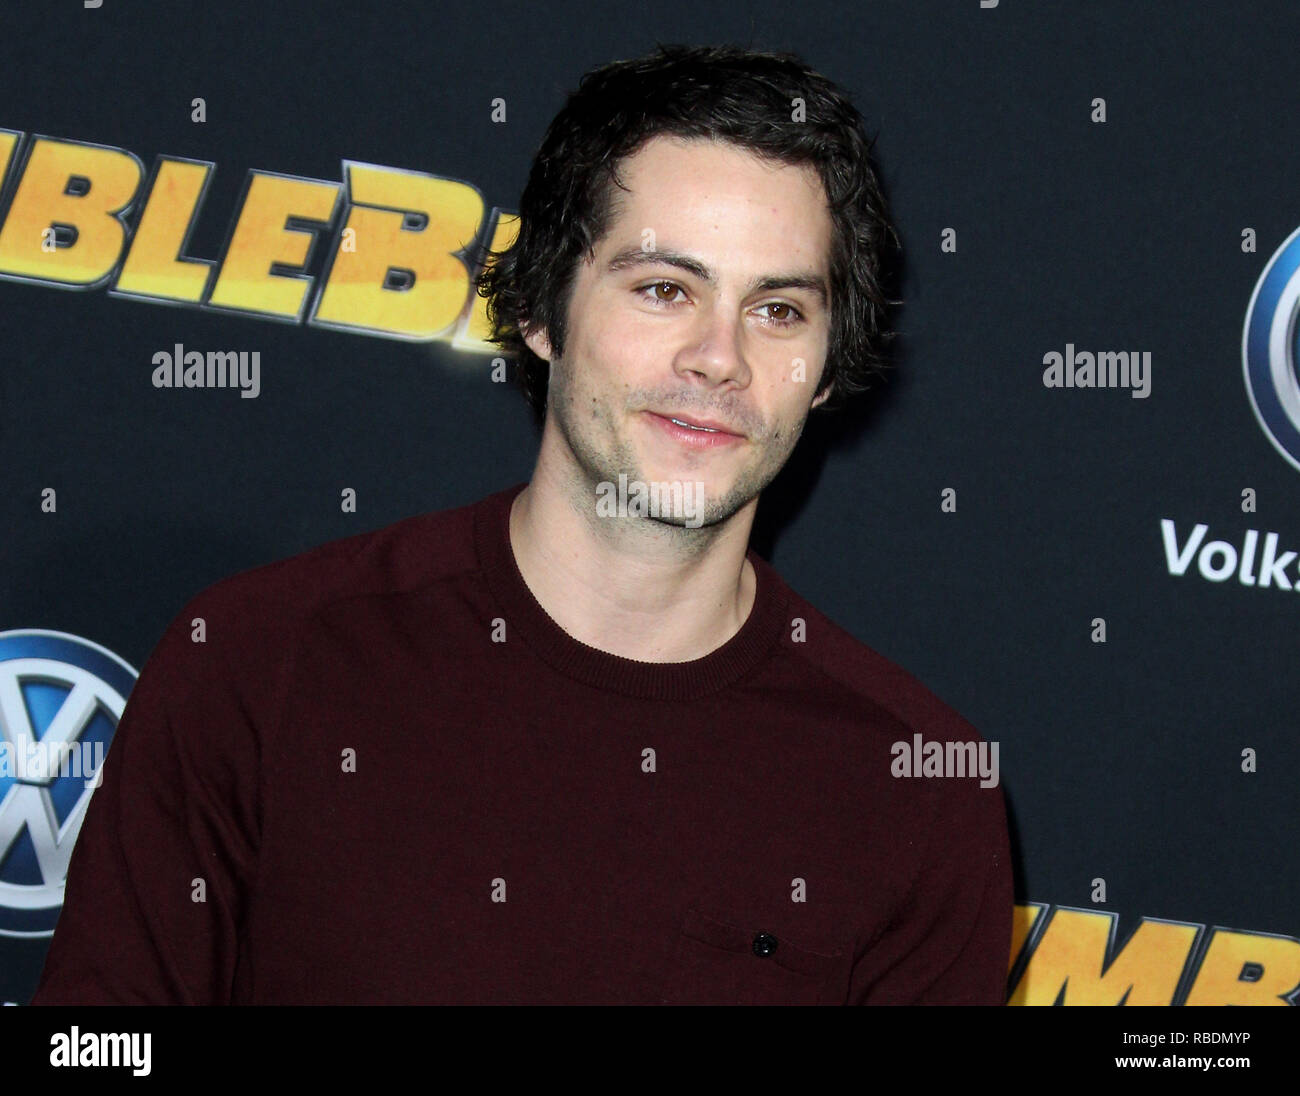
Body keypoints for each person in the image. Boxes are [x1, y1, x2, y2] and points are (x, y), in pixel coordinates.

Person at [31, 43, 1012, 1005]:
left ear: (829, 367)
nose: (720, 358)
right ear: (542, 308)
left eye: (779, 310)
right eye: (665, 289)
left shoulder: (916, 790)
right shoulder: (259, 661)